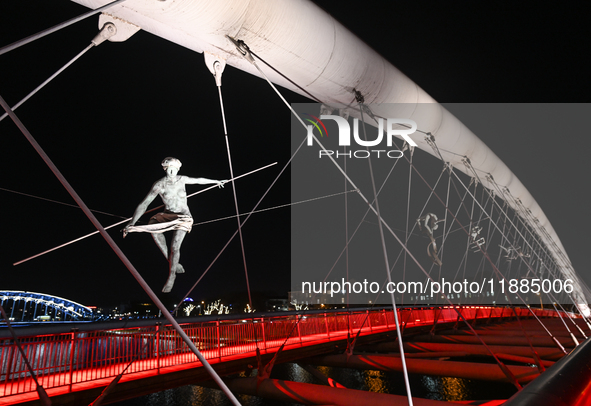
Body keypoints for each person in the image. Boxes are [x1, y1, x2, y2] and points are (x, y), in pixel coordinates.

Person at [124, 157, 226, 292]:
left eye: (175, 169)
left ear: (178, 169)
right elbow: (144, 204)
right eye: (170, 169)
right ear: (165, 169)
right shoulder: (159, 185)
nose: (172, 172)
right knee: (153, 227)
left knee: (175, 246)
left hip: (183, 216)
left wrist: (216, 182)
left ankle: (171, 276)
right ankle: (172, 262)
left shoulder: (182, 179)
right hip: (167, 215)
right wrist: (132, 222)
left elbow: (198, 180)